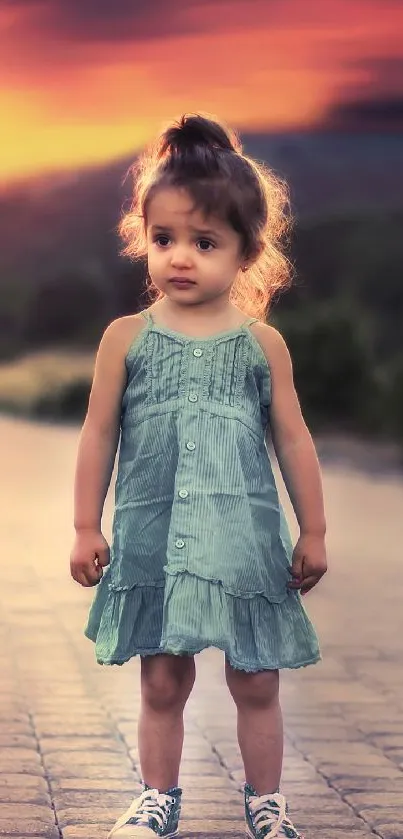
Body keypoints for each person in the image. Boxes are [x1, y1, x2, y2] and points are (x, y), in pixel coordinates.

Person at [70, 113, 327, 839]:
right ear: (142, 237)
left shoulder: (261, 343)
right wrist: (86, 523)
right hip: (155, 534)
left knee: (254, 677)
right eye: (163, 239)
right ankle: (158, 798)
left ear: (246, 253)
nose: (179, 257)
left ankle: (267, 805)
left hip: (242, 537)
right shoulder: (124, 338)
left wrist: (313, 526)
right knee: (161, 678)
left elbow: (292, 436)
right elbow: (97, 433)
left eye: (203, 242)